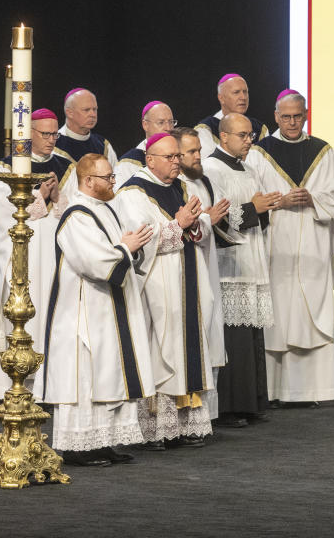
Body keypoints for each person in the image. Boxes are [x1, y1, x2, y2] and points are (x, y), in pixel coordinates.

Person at [35, 153, 154, 467]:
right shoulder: (76, 215)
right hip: (84, 313)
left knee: (108, 376)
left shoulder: (104, 210)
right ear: (88, 180)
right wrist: (125, 249)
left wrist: (132, 249)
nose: (113, 182)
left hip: (108, 308)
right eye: (107, 177)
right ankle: (78, 447)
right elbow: (93, 261)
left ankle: (103, 442)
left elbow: (120, 252)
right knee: (86, 378)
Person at [113, 132, 215, 449]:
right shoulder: (132, 192)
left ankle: (185, 424)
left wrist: (197, 222)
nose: (176, 162)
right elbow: (140, 238)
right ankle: (154, 427)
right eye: (170, 157)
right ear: (150, 159)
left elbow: (198, 227)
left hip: (188, 277)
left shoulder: (181, 187)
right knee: (161, 350)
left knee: (188, 347)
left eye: (177, 156)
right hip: (157, 283)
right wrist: (179, 223)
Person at [245, 89, 334, 406]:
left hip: (313, 247)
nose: (291, 122)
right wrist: (280, 201)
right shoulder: (260, 153)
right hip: (277, 244)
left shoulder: (324, 152)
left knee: (309, 310)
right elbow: (251, 197)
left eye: (297, 116)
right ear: (275, 117)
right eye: (285, 116)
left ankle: (313, 391)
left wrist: (313, 199)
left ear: (306, 114)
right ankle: (274, 391)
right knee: (279, 312)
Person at [0, 108, 71, 399]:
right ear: (28, 133)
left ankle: (51, 385)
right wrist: (40, 198)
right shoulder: (7, 167)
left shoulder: (66, 165)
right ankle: (18, 384)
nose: (51, 140)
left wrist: (59, 199)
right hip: (25, 259)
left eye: (54, 133)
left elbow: (75, 210)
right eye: (45, 134)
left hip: (57, 259)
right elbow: (3, 212)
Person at [202, 114, 279, 427]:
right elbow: (217, 218)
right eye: (243, 135)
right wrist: (253, 209)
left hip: (252, 259)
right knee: (232, 337)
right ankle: (230, 407)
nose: (250, 140)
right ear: (223, 137)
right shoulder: (211, 168)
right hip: (229, 265)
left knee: (250, 333)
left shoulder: (248, 168)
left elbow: (257, 212)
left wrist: (263, 210)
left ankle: (252, 402)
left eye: (250, 135)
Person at [173, 127, 230, 422]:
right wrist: (206, 217)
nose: (199, 156)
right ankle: (190, 417)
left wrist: (214, 217)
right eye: (192, 152)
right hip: (186, 270)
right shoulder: (175, 187)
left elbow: (217, 215)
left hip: (208, 266)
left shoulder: (204, 179)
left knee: (211, 333)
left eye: (198, 150)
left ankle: (206, 415)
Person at [55, 88, 118, 196]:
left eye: (95, 109)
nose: (92, 114)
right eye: (86, 110)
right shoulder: (53, 144)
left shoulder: (103, 145)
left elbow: (116, 179)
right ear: (69, 112)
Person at [195, 74, 270, 158]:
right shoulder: (206, 129)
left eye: (245, 92)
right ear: (221, 98)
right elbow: (208, 165)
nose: (243, 97)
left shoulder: (260, 129)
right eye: (236, 92)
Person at [115, 101, 177, 188]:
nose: (168, 128)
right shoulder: (128, 164)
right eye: (161, 122)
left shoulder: (179, 155)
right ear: (145, 125)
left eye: (171, 122)